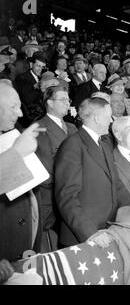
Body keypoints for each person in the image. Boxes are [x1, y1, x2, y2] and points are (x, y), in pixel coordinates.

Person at [54, 97, 128, 247]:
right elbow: (67, 197)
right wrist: (89, 232)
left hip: (108, 232)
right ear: (97, 118)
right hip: (84, 238)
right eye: (108, 116)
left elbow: (117, 185)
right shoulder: (72, 146)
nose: (111, 120)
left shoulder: (105, 144)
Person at [0, 82, 45, 261]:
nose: (20, 113)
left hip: (26, 246)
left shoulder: (10, 132)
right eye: (14, 107)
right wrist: (17, 152)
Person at [35, 81, 77, 251]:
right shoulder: (39, 129)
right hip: (52, 201)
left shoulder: (72, 128)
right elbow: (46, 170)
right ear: (50, 103)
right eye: (62, 100)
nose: (68, 103)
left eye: (68, 100)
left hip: (74, 197)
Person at [14, 52, 47, 127]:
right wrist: (41, 90)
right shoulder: (22, 78)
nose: (40, 69)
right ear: (31, 65)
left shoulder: (41, 77)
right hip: (30, 118)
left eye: (43, 67)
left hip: (40, 115)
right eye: (38, 66)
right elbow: (28, 99)